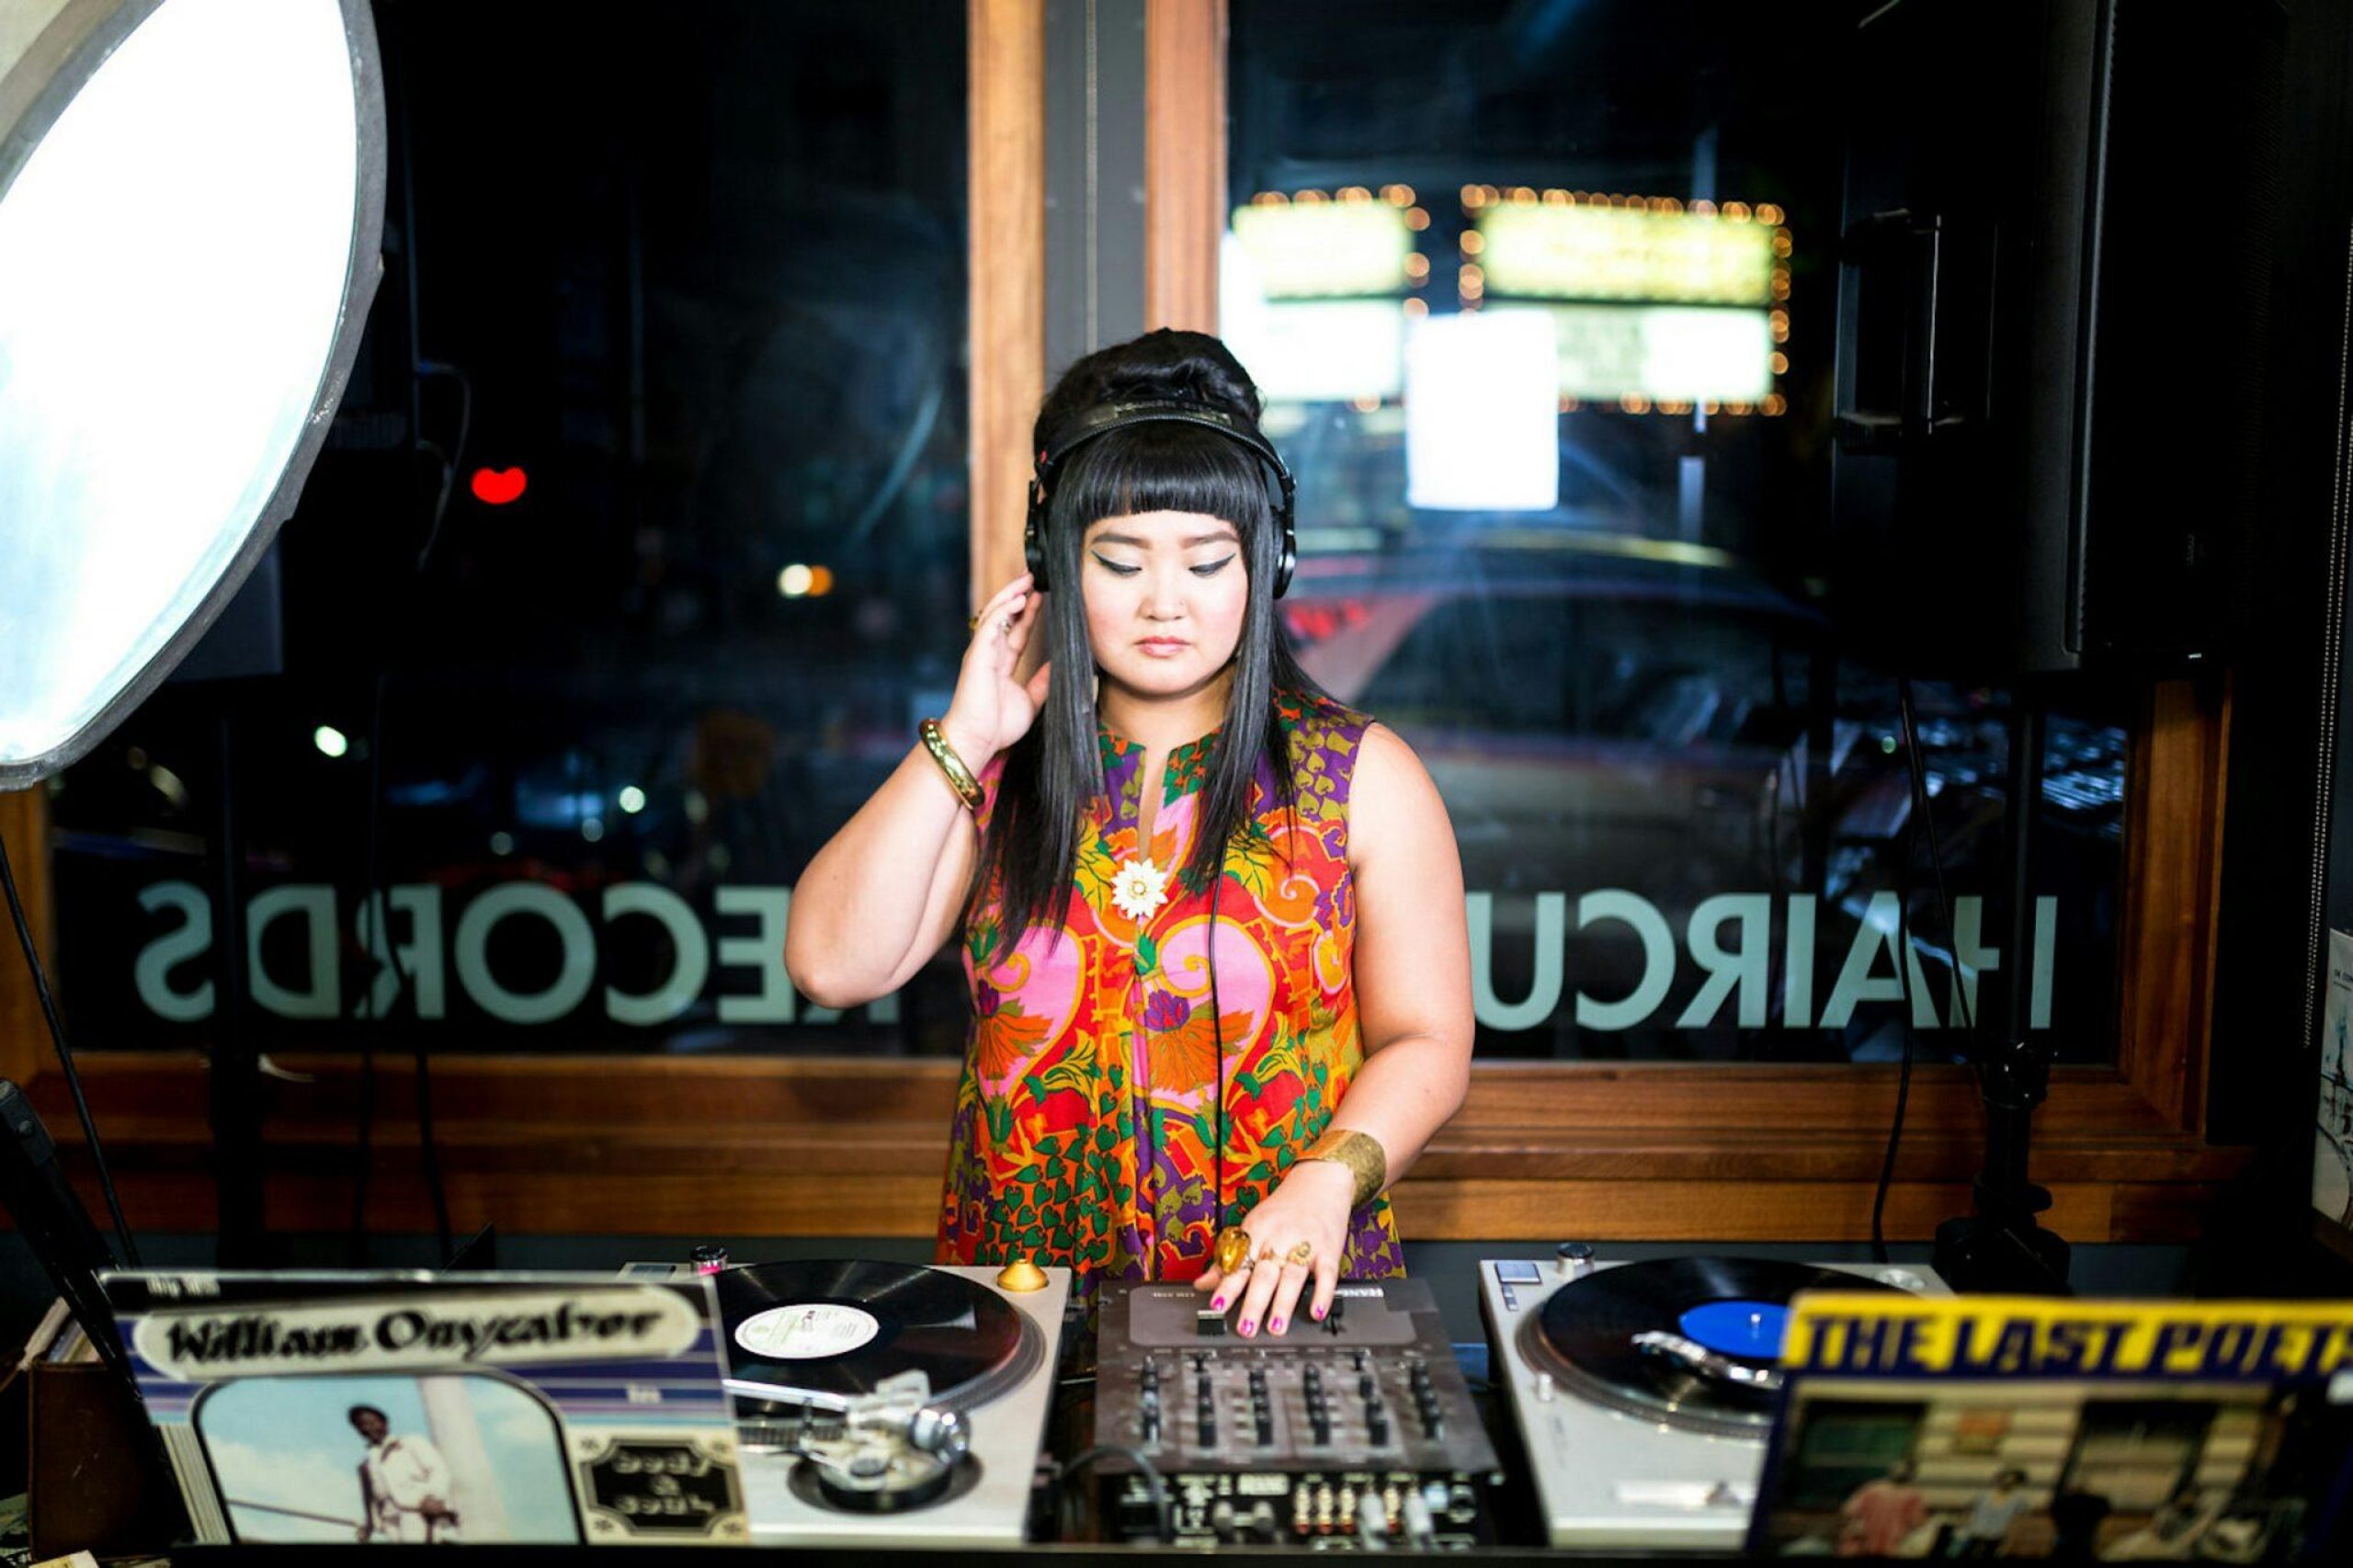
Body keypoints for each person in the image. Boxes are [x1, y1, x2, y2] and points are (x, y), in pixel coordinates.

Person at [787, 328, 1473, 1330]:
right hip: (1023, 1313)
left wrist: (1331, 1177)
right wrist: (969, 735)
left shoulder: (1362, 777)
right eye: (1119, 560)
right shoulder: (993, 773)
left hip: (1278, 1303)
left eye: (1205, 562)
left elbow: (1429, 1037)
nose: (1165, 603)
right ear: (1054, 561)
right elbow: (831, 965)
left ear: (1266, 565)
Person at [349, 1403, 461, 1543]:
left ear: (384, 1423)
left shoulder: (412, 1443)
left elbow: (438, 1470)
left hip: (418, 1511)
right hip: (389, 1519)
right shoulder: (365, 1465)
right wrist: (368, 1526)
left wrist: (434, 1497)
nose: (368, 1428)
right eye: (361, 1425)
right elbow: (369, 1501)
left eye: (372, 1423)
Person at [1840, 1459, 1930, 1558]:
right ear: (1911, 1475)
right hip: (1892, 1547)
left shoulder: (1872, 1488)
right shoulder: (1913, 1496)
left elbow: (1848, 1510)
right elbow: (1918, 1522)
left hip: (1865, 1545)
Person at [1949, 1469, 2032, 1557]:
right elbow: (1968, 1511)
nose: (2007, 1482)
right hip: (1974, 1533)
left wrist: (2008, 1541)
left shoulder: (2018, 1501)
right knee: (1959, 1540)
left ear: (2017, 1484)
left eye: (2012, 1481)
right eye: (2004, 1479)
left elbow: (2020, 1521)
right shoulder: (1983, 1495)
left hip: (1996, 1536)